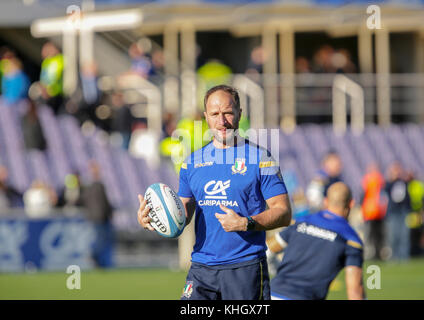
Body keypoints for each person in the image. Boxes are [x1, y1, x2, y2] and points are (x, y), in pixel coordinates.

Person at [137, 84, 292, 300]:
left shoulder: (260, 158)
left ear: (239, 113)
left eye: (228, 112)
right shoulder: (191, 162)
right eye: (215, 114)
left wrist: (245, 223)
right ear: (205, 117)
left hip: (244, 268)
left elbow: (283, 212)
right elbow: (182, 214)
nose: (222, 121)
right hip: (201, 269)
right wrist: (154, 218)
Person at [267, 182, 365, 300]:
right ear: (351, 203)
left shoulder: (300, 222)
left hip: (272, 294)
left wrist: (278, 270)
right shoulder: (351, 240)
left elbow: (268, 251)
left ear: (326, 201)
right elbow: (355, 290)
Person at [80, 160, 114, 268]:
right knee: (102, 241)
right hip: (101, 218)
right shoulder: (98, 186)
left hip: (94, 217)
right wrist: (110, 213)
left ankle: (100, 262)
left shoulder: (87, 187)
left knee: (100, 240)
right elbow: (105, 202)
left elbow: (83, 201)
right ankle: (95, 257)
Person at [360, 163, 388, 260]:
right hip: (373, 212)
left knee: (375, 235)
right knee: (374, 235)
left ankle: (375, 253)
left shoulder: (371, 179)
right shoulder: (378, 180)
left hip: (374, 212)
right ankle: (375, 253)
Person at [385, 162, 411, 260]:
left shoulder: (403, 182)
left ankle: (403, 256)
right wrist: (391, 178)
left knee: (404, 235)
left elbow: (407, 196)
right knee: (393, 235)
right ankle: (394, 256)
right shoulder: (390, 183)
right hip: (393, 212)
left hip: (403, 211)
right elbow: (386, 190)